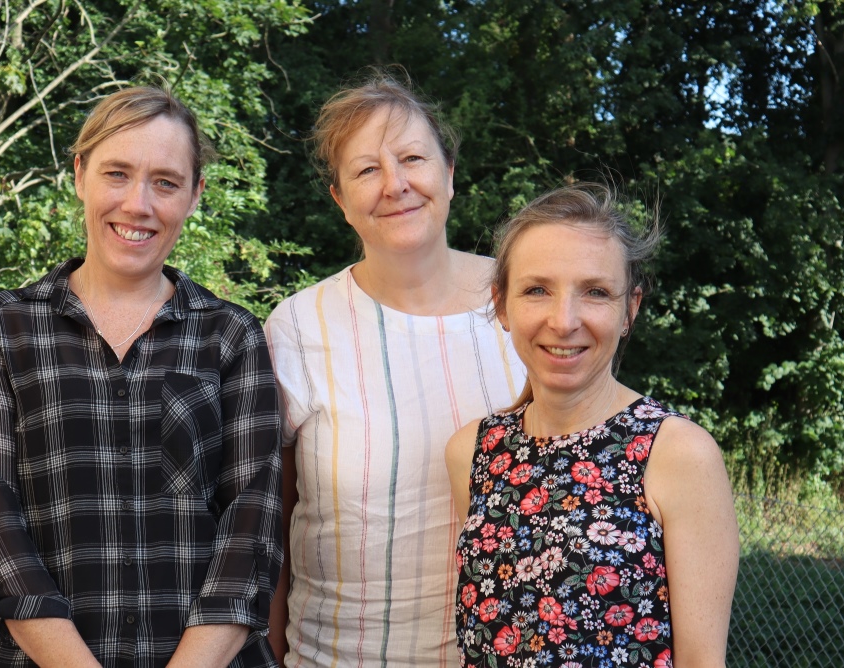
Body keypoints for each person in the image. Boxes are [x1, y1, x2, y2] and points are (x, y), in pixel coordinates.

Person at [0, 86, 282, 667]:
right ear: (79, 175)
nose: (138, 204)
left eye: (165, 181)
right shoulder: (7, 329)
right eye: (117, 173)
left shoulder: (231, 336)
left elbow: (250, 529)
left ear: (195, 195)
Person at [263, 71, 526, 666]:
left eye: (412, 158)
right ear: (339, 200)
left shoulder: (528, 304)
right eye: (366, 170)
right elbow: (268, 524)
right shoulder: (298, 328)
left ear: (450, 174)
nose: (396, 185)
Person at [445, 183, 739, 667]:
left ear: (631, 309)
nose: (564, 321)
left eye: (596, 292)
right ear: (501, 304)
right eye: (537, 290)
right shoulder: (473, 452)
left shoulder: (678, 453)